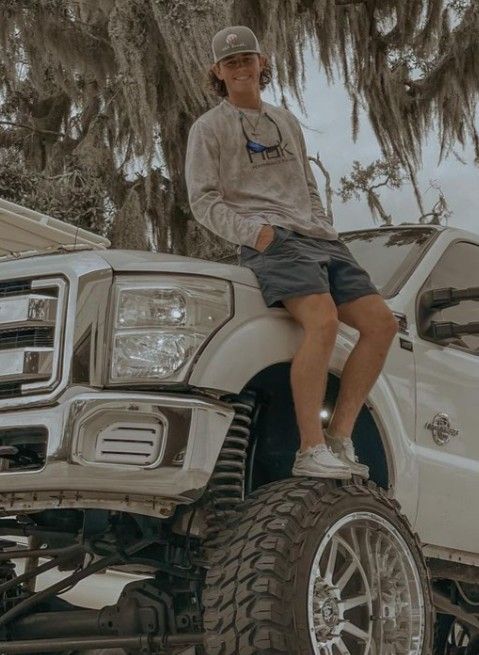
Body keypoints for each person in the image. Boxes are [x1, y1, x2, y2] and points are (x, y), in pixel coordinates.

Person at [185, 26, 398, 480]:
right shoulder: (209, 128)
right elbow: (202, 200)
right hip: (274, 241)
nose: (241, 67)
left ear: (262, 63)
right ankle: (310, 449)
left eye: (247, 58)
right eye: (231, 62)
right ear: (218, 72)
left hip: (319, 238)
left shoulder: (286, 121)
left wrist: (321, 223)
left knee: (381, 324)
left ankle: (340, 436)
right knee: (321, 320)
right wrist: (256, 233)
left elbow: (306, 184)